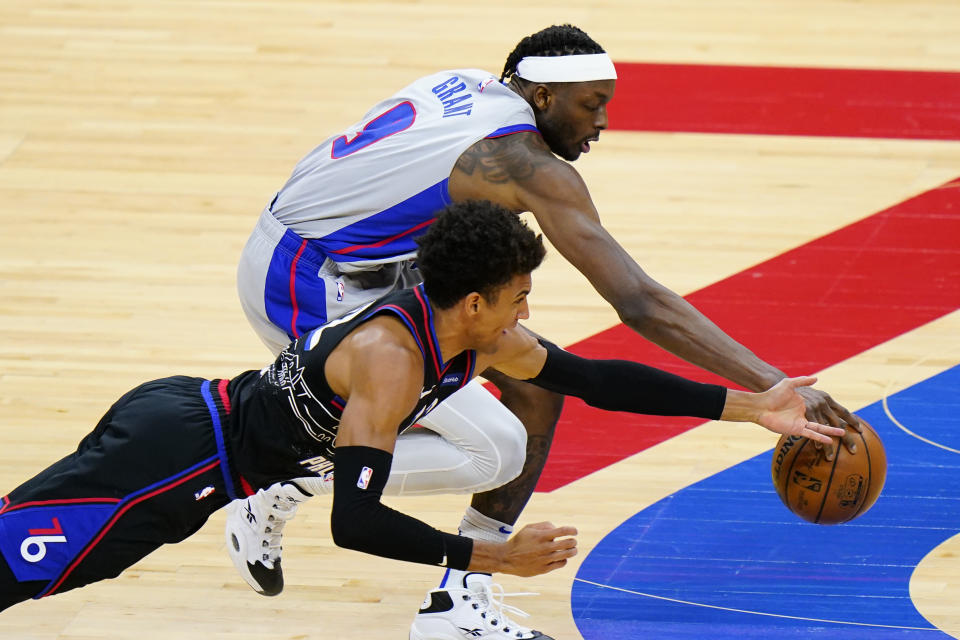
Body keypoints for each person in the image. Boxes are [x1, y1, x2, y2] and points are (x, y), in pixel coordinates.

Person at [231, 23, 864, 638]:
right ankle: (283, 470)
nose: (602, 123)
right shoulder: (521, 161)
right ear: (542, 97)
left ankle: (457, 599)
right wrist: (774, 384)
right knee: (490, 448)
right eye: (591, 105)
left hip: (363, 260)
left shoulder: (472, 84)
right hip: (307, 274)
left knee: (539, 386)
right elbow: (639, 301)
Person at [0, 202, 844, 639]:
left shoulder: (482, 338)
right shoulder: (391, 359)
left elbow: (594, 377)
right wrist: (492, 559)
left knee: (47, 565)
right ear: (474, 301)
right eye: (519, 294)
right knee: (25, 563)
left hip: (212, 445)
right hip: (184, 452)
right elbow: (357, 523)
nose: (528, 309)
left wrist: (750, 407)